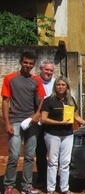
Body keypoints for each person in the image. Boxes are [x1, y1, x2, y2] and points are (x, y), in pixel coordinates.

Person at [41, 75, 85, 194]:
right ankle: (51, 189)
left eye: (63, 85)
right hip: (52, 135)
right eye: (58, 84)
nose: (60, 87)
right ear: (55, 86)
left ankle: (64, 189)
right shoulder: (49, 100)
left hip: (68, 134)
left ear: (67, 87)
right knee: (53, 162)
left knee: (65, 162)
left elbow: (76, 116)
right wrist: (59, 123)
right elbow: (44, 119)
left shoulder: (70, 100)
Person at [1, 51, 46, 194]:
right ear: (21, 62)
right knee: (14, 155)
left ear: (34, 65)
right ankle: (9, 185)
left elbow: (42, 99)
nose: (28, 65)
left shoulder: (36, 80)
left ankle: (27, 186)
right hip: (15, 120)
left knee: (29, 155)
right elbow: (6, 101)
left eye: (31, 64)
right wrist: (7, 123)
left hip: (31, 122)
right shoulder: (10, 78)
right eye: (26, 62)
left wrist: (37, 115)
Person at [35, 59, 56, 189]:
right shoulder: (34, 82)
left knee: (54, 153)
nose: (48, 72)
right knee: (40, 151)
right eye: (46, 69)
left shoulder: (57, 83)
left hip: (53, 123)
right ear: (41, 69)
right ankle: (42, 178)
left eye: (51, 70)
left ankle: (54, 179)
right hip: (38, 123)